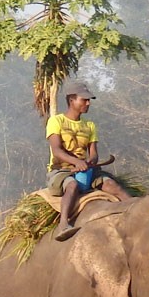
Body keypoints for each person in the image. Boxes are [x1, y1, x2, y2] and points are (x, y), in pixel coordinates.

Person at [45, 81, 131, 241]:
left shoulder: (89, 125)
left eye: (89, 100)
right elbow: (56, 150)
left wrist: (90, 162)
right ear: (72, 100)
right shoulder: (56, 121)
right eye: (84, 99)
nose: (88, 103)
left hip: (85, 169)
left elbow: (93, 154)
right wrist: (75, 162)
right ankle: (63, 224)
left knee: (112, 185)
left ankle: (137, 210)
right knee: (72, 185)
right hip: (62, 171)